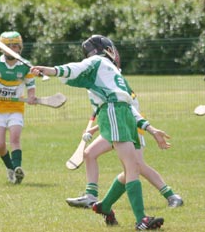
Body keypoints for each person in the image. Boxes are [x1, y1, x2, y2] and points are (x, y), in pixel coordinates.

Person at [31, 35, 164, 230]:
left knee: (130, 168)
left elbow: (128, 102)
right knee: (132, 166)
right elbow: (73, 69)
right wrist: (49, 70)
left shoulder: (110, 70)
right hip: (113, 110)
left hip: (123, 112)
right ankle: (141, 220)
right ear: (107, 49)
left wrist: (150, 128)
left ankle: (104, 205)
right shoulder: (96, 61)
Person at [66, 49, 183, 209]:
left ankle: (171, 195)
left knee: (136, 166)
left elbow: (124, 112)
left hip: (132, 126)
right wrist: (94, 130)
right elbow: (111, 114)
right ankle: (91, 197)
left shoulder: (117, 83)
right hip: (115, 125)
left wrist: (151, 129)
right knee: (90, 154)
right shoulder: (105, 80)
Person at [0, 31, 36, 184]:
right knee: (0, 144)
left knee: (15, 138)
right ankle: (10, 168)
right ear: (1, 48)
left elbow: (30, 85)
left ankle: (18, 168)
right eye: (8, 46)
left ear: (20, 48)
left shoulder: (25, 65)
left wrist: (31, 97)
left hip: (15, 107)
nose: (12, 49)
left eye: (15, 46)